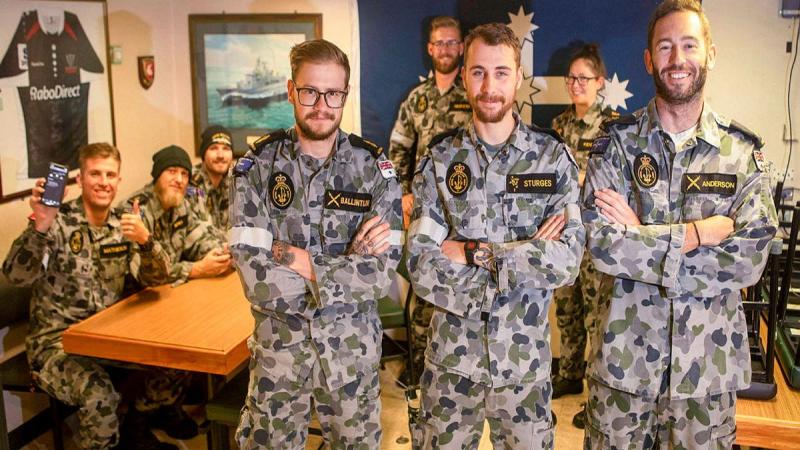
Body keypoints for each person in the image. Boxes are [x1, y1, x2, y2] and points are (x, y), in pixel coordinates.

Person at [581, 1, 778, 447]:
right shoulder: (616, 145)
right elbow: (600, 243)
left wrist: (640, 235)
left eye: (689, 45)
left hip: (706, 378)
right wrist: (695, 235)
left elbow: (748, 261)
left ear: (710, 53)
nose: (677, 58)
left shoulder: (742, 152)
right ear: (649, 59)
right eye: (665, 46)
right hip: (623, 372)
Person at [407, 23, 584, 448]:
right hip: (451, 368)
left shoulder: (551, 158)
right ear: (465, 76)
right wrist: (529, 252)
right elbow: (421, 262)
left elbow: (569, 259)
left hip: (523, 370)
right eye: (479, 72)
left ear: (518, 77)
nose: (490, 86)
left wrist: (477, 254)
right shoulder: (439, 159)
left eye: (501, 72)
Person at [229, 39, 403, 449]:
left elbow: (380, 277)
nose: (321, 104)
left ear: (345, 94)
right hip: (279, 360)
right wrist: (346, 264)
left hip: (351, 360)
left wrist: (295, 258)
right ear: (291, 90)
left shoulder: (375, 172)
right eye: (310, 91)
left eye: (333, 93)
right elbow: (256, 277)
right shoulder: (255, 168)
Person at [2, 143, 179, 450]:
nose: (103, 181)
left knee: (174, 359)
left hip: (107, 338)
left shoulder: (122, 224)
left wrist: (146, 241)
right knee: (99, 394)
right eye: (94, 173)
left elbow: (159, 279)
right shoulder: (56, 221)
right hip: (56, 344)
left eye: (110, 174)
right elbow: (16, 276)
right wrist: (40, 224)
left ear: (119, 181)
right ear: (79, 180)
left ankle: (133, 431)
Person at [388, 16, 472, 387]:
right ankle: (418, 362)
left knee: (460, 285)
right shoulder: (416, 99)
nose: (445, 50)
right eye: (439, 43)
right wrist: (403, 192)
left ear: (462, 47)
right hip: (424, 210)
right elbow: (398, 151)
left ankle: (458, 363)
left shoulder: (472, 94)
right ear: (430, 48)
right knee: (423, 286)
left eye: (452, 43)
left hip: (465, 211)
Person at [549, 44, 617, 427]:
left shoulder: (612, 127)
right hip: (563, 234)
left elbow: (603, 182)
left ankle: (595, 395)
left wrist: (572, 179)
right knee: (567, 307)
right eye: (571, 78)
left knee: (596, 315)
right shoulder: (559, 126)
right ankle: (570, 374)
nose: (576, 84)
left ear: (600, 82)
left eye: (584, 78)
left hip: (596, 236)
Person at [127, 145, 230, 285]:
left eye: (184, 174)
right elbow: (146, 276)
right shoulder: (136, 211)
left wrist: (223, 252)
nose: (179, 179)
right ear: (157, 175)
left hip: (170, 292)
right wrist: (195, 269)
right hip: (141, 297)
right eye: (172, 171)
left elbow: (199, 240)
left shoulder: (180, 205)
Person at [191, 124, 234, 231]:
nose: (220, 155)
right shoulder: (190, 183)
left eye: (226, 148)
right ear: (203, 154)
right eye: (214, 148)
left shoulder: (235, 183)